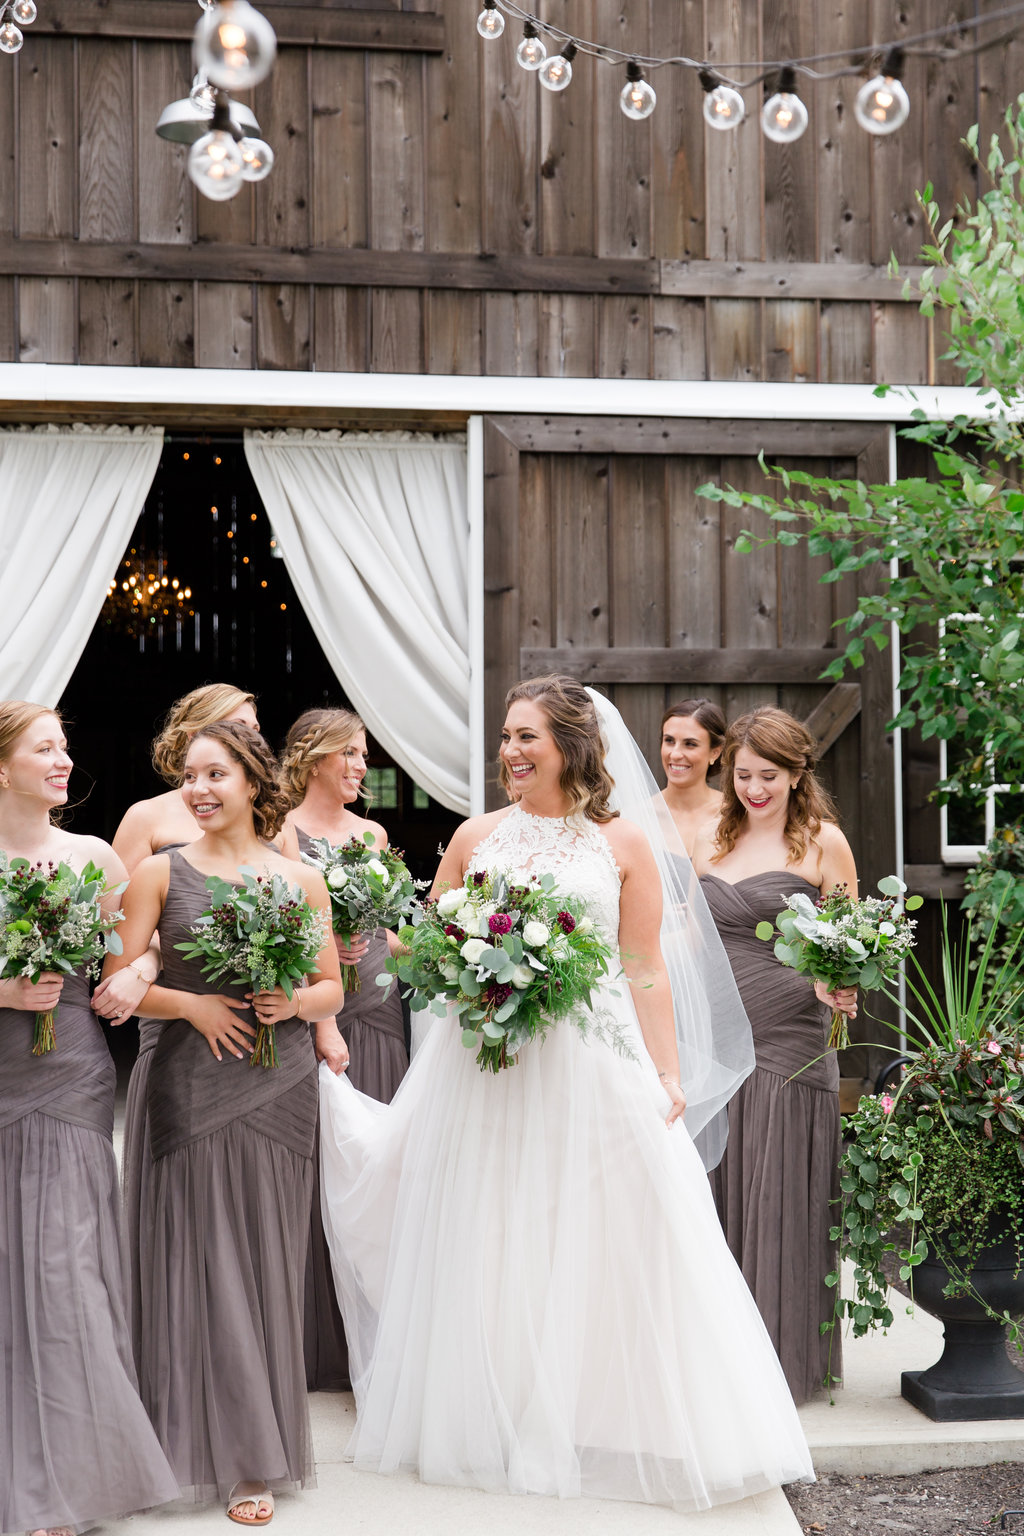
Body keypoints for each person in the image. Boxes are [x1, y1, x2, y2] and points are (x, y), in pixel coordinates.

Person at [318, 676, 813, 1511]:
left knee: (626, 1218)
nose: (510, 752)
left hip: (594, 1055)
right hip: (488, 1064)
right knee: (492, 1223)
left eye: (526, 739)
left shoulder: (623, 845)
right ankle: (500, 1410)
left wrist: (667, 1074)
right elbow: (431, 944)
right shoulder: (476, 835)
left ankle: (606, 1410)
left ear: (571, 749)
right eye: (506, 738)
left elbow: (645, 964)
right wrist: (449, 970)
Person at [106, 722, 344, 1525]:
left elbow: (331, 989)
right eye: (189, 777)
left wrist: (298, 1003)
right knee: (193, 1258)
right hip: (185, 1083)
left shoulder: (300, 881)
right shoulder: (156, 876)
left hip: (279, 1089)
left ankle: (251, 1457)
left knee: (261, 1261)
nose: (199, 790)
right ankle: (180, 1446)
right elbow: (116, 986)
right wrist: (193, 1004)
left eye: (215, 774)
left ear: (252, 781)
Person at [0, 701, 179, 1535]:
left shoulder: (95, 855)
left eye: (66, 745)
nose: (65, 760)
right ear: (4, 768)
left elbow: (138, 950)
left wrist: (138, 974)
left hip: (68, 1073)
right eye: (46, 748)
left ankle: (72, 1476)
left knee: (65, 1269)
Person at [692, 706, 858, 1404]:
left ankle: (782, 1366)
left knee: (782, 1194)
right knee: (719, 1198)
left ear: (797, 775)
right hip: (716, 1043)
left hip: (791, 1041)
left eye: (769, 775)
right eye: (743, 773)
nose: (754, 788)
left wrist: (839, 980)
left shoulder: (825, 843)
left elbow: (856, 948)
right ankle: (721, 1366)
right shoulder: (709, 839)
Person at [281, 708, 406, 1393]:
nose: (361, 767)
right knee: (319, 1172)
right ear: (315, 757)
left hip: (377, 1008)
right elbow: (287, 927)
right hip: (318, 1015)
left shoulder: (374, 833)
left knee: (379, 1169)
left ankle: (380, 1336)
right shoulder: (283, 833)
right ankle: (319, 1341)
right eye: (351, 755)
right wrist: (324, 1003)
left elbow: (386, 924)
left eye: (364, 756)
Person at [658, 697, 726, 856]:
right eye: (669, 741)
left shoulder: (734, 814)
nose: (674, 754)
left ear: (715, 752)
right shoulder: (638, 815)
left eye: (690, 744)